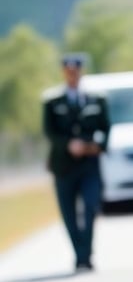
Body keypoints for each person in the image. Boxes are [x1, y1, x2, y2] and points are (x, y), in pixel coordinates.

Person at [43, 55, 110, 271]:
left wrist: (96, 146)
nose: (73, 75)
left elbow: (105, 128)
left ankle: (86, 253)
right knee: (69, 213)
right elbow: (49, 131)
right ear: (64, 73)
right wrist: (68, 144)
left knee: (91, 206)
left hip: (89, 164)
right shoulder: (52, 102)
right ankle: (80, 256)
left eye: (76, 71)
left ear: (81, 72)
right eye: (68, 71)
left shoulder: (96, 99)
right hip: (64, 166)